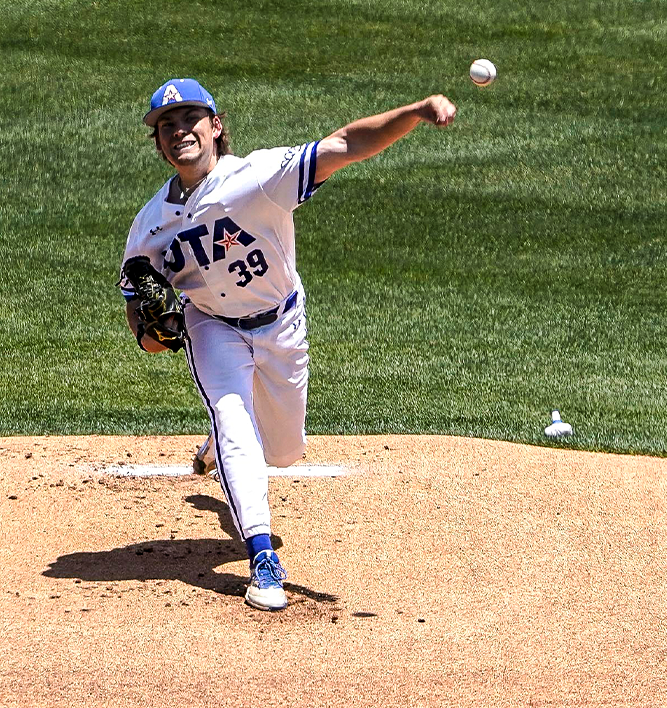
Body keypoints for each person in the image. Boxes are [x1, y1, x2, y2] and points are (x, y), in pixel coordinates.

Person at [119, 77, 456, 611]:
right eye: (166, 126)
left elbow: (345, 143)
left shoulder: (257, 177)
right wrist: (150, 333)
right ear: (158, 142)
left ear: (216, 126)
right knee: (234, 419)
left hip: (281, 325)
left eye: (189, 119)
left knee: (285, 452)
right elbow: (139, 304)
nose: (179, 131)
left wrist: (415, 111)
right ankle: (262, 559)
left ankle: (219, 443)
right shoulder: (149, 225)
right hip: (213, 327)